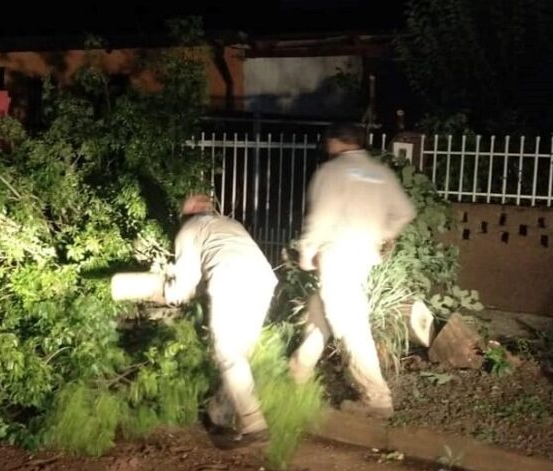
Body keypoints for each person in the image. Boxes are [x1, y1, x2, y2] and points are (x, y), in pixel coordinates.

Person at [288, 122, 416, 419]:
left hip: (336, 257)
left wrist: (307, 252)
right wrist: (383, 233)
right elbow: (405, 212)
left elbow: (321, 217)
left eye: (328, 140)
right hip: (362, 257)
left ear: (337, 142)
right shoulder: (379, 172)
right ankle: (298, 371)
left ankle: (377, 399)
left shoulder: (332, 173)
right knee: (319, 309)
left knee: (351, 326)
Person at [164, 194, 278, 445]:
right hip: (263, 279)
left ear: (188, 212)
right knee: (238, 358)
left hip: (230, 281)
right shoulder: (230, 224)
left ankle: (254, 425)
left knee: (228, 355)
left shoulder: (188, 229)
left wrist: (169, 292)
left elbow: (185, 283)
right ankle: (220, 416)